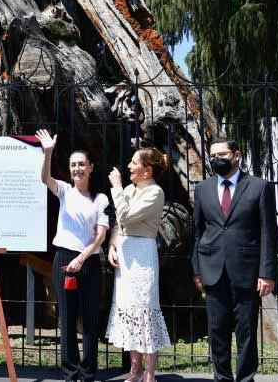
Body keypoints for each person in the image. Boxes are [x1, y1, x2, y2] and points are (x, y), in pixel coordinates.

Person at [191, 139, 278, 382]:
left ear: (237, 155)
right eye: (213, 155)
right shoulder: (203, 189)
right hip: (212, 269)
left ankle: (246, 378)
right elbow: (197, 232)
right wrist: (197, 269)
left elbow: (268, 233)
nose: (217, 159)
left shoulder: (259, 187)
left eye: (223, 154)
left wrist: (267, 272)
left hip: (247, 271)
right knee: (217, 331)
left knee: (247, 331)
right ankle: (222, 378)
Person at [35, 129, 108, 382]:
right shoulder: (64, 190)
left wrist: (83, 257)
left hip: (88, 262)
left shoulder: (100, 199)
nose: (77, 168)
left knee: (89, 319)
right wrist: (48, 153)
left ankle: (88, 372)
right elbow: (45, 179)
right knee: (66, 317)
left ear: (91, 167)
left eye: (82, 165)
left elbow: (100, 236)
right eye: (73, 165)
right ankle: (70, 371)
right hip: (63, 259)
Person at [105, 148, 171, 382]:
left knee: (144, 312)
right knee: (129, 311)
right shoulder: (131, 189)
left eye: (134, 163)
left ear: (147, 170)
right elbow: (118, 225)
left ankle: (150, 373)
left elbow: (126, 216)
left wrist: (116, 187)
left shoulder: (155, 193)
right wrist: (113, 245)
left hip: (142, 255)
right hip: (125, 253)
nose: (129, 166)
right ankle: (135, 369)